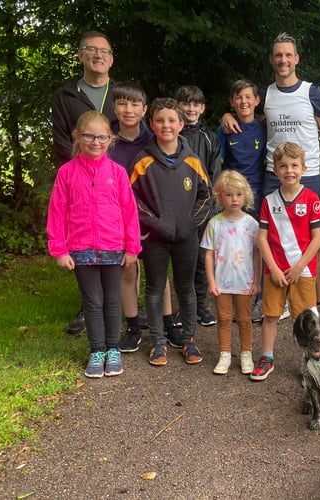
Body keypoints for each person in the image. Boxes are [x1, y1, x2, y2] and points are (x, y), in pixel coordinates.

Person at [222, 32, 320, 310]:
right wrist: (226, 117)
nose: (283, 60)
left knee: (313, 241)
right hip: (273, 174)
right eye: (278, 55)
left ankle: (319, 300)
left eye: (288, 55)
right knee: (270, 236)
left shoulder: (311, 92)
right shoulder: (266, 95)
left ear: (296, 59)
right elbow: (247, 114)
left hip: (307, 175)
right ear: (271, 59)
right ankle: (267, 297)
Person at [46, 111, 141, 378]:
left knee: (112, 301)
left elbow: (129, 212)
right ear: (78, 136)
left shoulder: (118, 173)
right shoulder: (66, 173)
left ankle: (113, 350)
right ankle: (96, 350)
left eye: (101, 137)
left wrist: (132, 247)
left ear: (110, 139)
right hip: (81, 250)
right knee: (92, 301)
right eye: (89, 136)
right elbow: (57, 211)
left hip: (113, 247)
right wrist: (59, 249)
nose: (95, 142)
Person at [130, 98, 212, 366]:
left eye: (171, 120)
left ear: (180, 124)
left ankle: (189, 340)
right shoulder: (142, 161)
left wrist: (191, 223)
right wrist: (155, 223)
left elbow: (206, 197)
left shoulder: (192, 160)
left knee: (186, 289)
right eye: (160, 120)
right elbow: (132, 200)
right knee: (154, 289)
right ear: (151, 123)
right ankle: (157, 342)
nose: (166, 125)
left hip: (186, 238)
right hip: (155, 239)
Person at [52, 30, 117, 336]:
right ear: (80, 55)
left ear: (111, 59)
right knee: (83, 241)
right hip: (81, 178)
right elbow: (62, 140)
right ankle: (86, 306)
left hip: (116, 178)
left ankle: (129, 303)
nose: (98, 55)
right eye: (91, 49)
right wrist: (81, 171)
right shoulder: (66, 96)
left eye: (104, 51)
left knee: (124, 244)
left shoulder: (120, 94)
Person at [107, 82, 180, 353]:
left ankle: (168, 322)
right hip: (117, 216)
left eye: (135, 104)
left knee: (158, 271)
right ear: (114, 107)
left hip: (150, 214)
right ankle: (134, 325)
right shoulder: (107, 140)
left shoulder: (154, 138)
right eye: (122, 104)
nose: (128, 110)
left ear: (144, 109)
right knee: (128, 269)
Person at [252, 142, 320, 381]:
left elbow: (317, 240)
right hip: (275, 270)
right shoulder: (268, 201)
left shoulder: (312, 199)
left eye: (294, 165)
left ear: (303, 168)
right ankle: (267, 357)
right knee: (271, 315)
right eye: (283, 166)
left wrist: (298, 267)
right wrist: (273, 268)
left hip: (302, 271)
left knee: (306, 319)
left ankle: (310, 361)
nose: (289, 170)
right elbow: (262, 238)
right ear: (275, 170)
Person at [201, 170, 261, 375]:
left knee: (244, 319)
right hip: (222, 283)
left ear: (246, 196)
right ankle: (224, 354)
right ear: (220, 197)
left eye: (238, 194)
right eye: (229, 194)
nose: (234, 199)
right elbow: (208, 254)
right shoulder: (214, 224)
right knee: (224, 319)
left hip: (245, 283)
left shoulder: (252, 225)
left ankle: (246, 353)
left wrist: (257, 281)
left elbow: (256, 255)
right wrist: (211, 281)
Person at [176, 85, 221, 328]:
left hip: (205, 207)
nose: (191, 108)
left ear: (202, 108)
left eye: (195, 104)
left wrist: (211, 205)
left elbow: (215, 173)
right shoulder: (172, 134)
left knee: (204, 259)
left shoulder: (210, 137)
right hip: (178, 206)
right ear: (178, 105)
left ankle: (200, 305)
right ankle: (183, 308)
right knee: (184, 259)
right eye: (186, 103)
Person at [216, 79, 267, 220]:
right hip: (230, 192)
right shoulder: (224, 129)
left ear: (257, 100)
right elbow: (218, 163)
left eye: (248, 97)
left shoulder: (265, 130)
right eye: (238, 97)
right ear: (232, 101)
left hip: (256, 192)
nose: (244, 101)